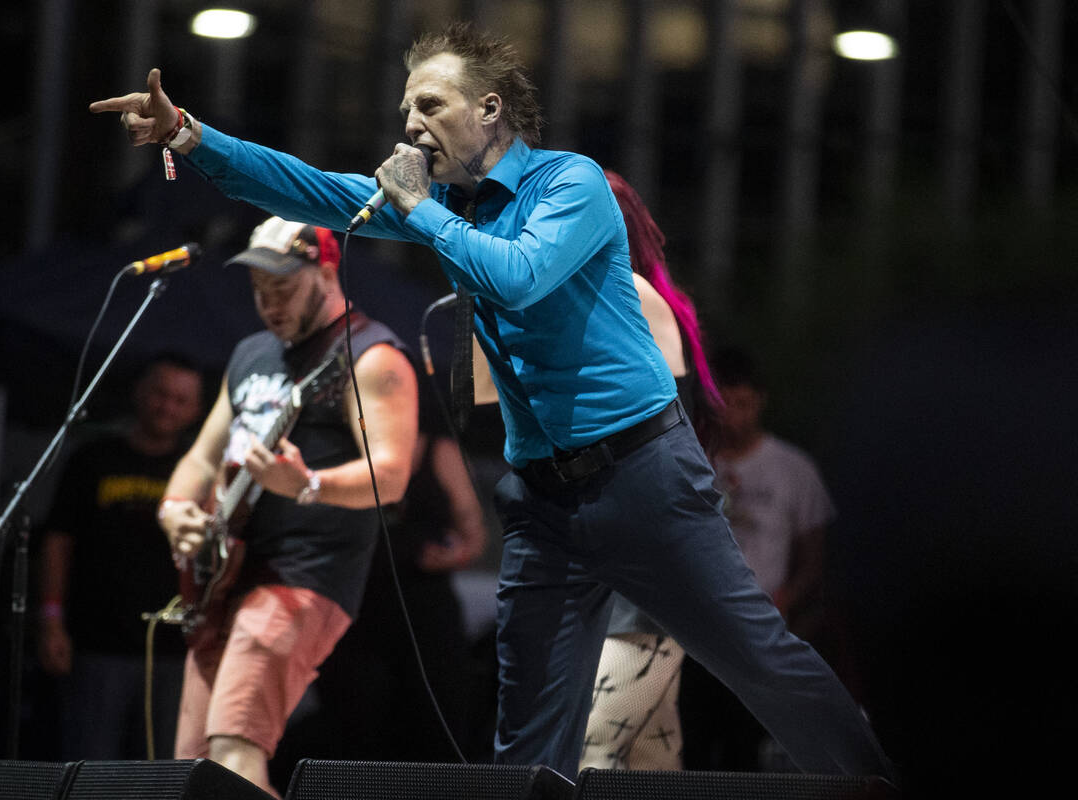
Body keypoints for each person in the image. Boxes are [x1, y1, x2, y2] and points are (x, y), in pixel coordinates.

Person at [90, 23, 893, 782]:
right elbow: (309, 189)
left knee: (760, 662)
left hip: (642, 477)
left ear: (490, 110)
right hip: (544, 500)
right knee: (530, 722)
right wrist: (190, 137)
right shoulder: (454, 210)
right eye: (405, 106)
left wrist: (417, 209)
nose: (409, 122)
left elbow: (517, 275)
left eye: (429, 104)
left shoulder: (568, 182)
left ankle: (877, 781)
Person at [152, 216, 418, 795]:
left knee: (233, 751)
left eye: (283, 289)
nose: (268, 305)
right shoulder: (252, 354)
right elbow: (201, 457)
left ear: (325, 275)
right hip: (228, 576)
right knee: (195, 772)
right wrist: (175, 507)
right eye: (258, 292)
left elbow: (392, 474)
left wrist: (306, 485)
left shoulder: (372, 356)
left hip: (305, 576)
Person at [578, 170, 722, 771]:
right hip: (629, 556)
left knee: (594, 755)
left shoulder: (631, 301)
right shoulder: (627, 302)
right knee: (650, 757)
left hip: (647, 563)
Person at [272, 416, 488, 782]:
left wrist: (453, 555)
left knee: (436, 725)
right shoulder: (338, 445)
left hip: (424, 610)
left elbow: (473, 535)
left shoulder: (438, 449)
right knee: (355, 731)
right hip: (353, 608)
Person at [37, 354, 204, 760]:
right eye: (160, 394)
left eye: (181, 400)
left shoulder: (199, 470)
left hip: (174, 649)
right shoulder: (92, 459)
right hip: (97, 643)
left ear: (197, 411)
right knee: (88, 766)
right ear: (140, 393)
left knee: (163, 770)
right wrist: (50, 620)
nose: (168, 407)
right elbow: (57, 542)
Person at [679, 346, 837, 772]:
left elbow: (815, 560)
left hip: (762, 632)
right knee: (693, 747)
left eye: (743, 403)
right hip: (698, 633)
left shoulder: (793, 469)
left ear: (760, 401)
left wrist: (787, 601)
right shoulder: (691, 461)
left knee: (743, 750)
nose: (733, 414)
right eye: (724, 402)